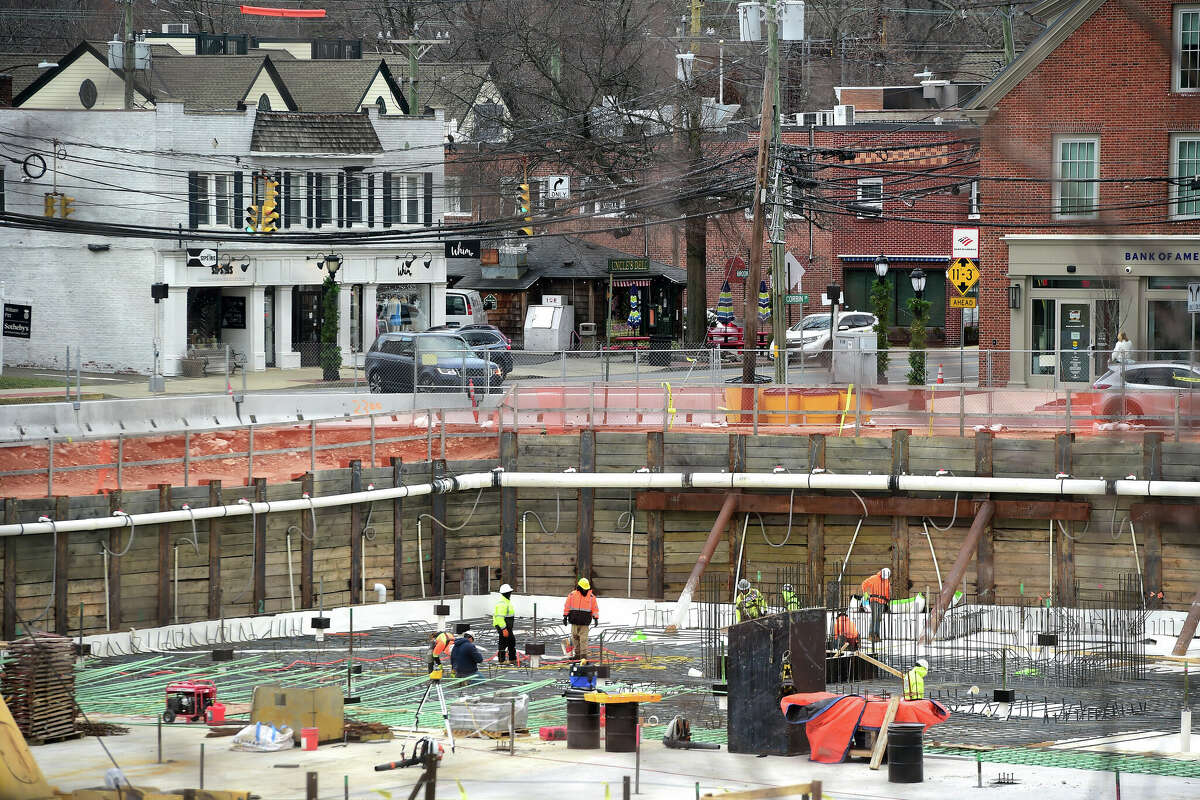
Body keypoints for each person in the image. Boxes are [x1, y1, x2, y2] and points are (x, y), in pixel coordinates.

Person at [563, 578, 599, 661]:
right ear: (579, 587)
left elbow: (595, 608)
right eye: (583, 588)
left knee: (583, 640)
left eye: (586, 589)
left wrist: (596, 618)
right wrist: (565, 616)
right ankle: (577, 655)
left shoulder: (591, 597)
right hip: (574, 621)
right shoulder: (572, 595)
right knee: (575, 639)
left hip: (584, 622)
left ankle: (583, 657)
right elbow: (567, 606)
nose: (585, 590)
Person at [860, 567, 891, 642]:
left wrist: (887, 600)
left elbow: (887, 592)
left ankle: (876, 635)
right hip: (874, 600)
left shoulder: (887, 581)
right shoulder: (874, 578)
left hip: (882, 602)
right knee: (874, 618)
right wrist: (865, 593)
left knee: (878, 618)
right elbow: (864, 584)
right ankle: (871, 635)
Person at [493, 583, 517, 665]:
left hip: (507, 627)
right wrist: (504, 629)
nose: (510, 594)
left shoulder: (506, 602)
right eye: (509, 592)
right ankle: (502, 660)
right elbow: (499, 618)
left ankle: (512, 659)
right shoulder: (502, 603)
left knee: (511, 641)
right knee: (503, 642)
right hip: (503, 626)